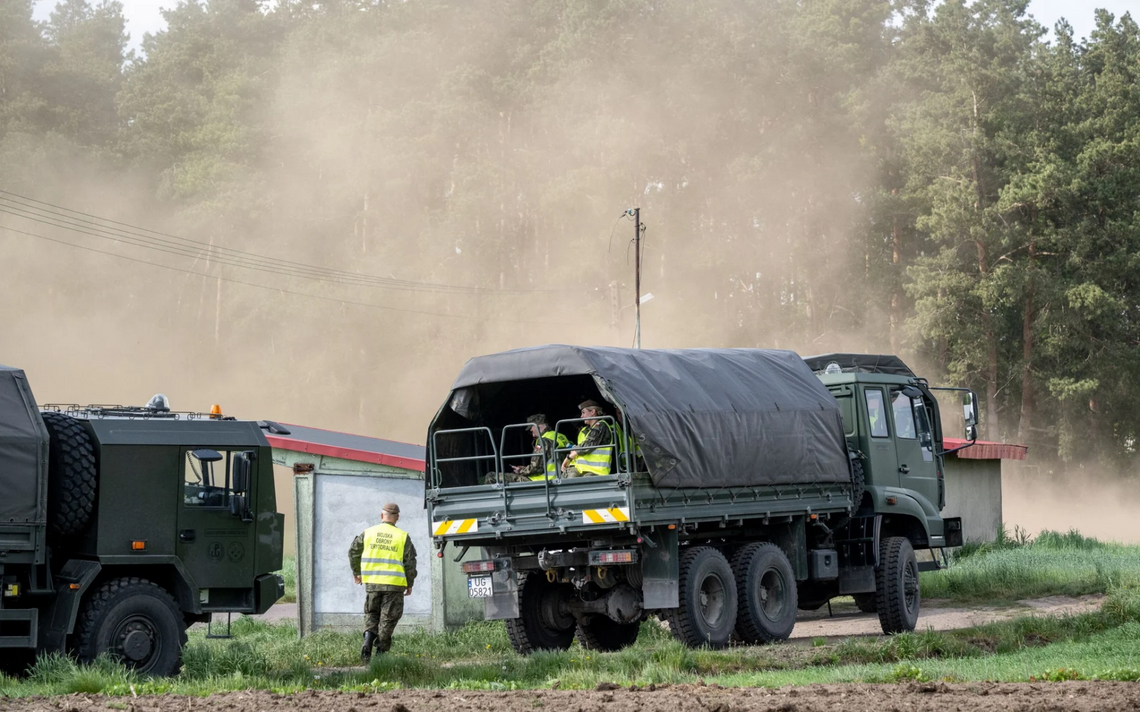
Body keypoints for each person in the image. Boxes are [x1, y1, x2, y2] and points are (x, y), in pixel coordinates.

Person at [348, 502, 417, 663]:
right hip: (394, 584)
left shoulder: (368, 533)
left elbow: (353, 551)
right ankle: (380, 654)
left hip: (372, 583)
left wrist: (357, 572)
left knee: (372, 614)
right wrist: (410, 583)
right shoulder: (402, 536)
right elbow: (410, 563)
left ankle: (367, 641)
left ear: (381, 516)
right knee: (388, 618)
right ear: (397, 518)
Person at [484, 414, 571, 484]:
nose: (532, 435)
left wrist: (520, 470)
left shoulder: (543, 440)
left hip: (540, 480)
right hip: (559, 478)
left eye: (531, 430)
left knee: (491, 476)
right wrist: (525, 468)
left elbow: (536, 468)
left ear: (538, 426)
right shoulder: (561, 436)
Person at [562, 399, 614, 477]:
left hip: (595, 471)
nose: (581, 416)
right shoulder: (587, 430)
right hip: (583, 470)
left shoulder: (601, 426)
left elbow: (588, 445)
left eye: (583, 412)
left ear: (593, 412)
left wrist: (569, 458)